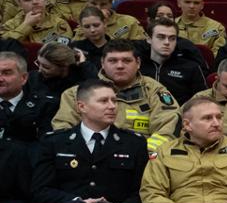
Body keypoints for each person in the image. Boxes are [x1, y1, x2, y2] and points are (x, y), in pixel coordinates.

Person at [32, 81, 148, 203]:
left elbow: (142, 191)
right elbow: (41, 191)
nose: (112, 106)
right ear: (82, 107)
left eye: (114, 101)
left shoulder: (134, 143)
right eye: (103, 101)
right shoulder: (54, 142)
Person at [140, 97, 227, 203]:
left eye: (219, 117)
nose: (216, 123)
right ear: (187, 125)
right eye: (207, 118)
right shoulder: (164, 152)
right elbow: (151, 194)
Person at [51, 40, 181, 136]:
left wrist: (145, 153)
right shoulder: (76, 93)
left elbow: (168, 125)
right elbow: (63, 129)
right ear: (102, 63)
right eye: (113, 61)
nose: (120, 66)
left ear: (138, 63)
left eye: (126, 61)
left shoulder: (153, 90)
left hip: (142, 157)